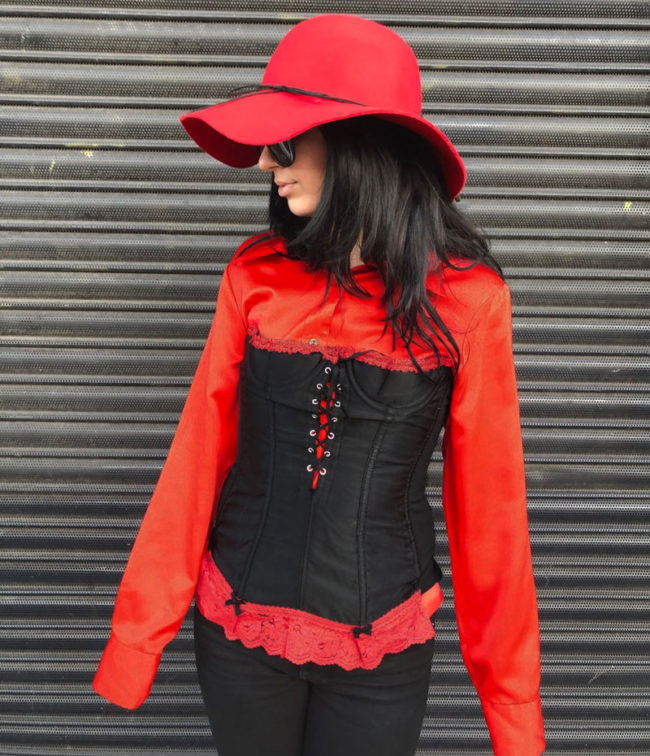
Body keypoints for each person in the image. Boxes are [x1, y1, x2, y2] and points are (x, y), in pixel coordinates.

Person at [92, 13, 545, 756]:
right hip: (237, 631)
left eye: (285, 140)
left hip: (384, 648)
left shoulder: (470, 302)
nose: (269, 164)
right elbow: (196, 461)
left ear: (359, 144)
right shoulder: (254, 277)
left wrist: (513, 709)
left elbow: (491, 512)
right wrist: (137, 639)